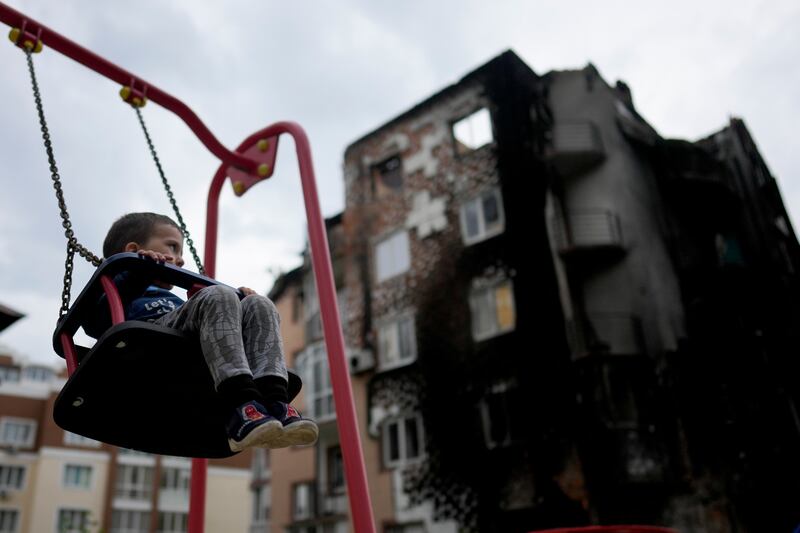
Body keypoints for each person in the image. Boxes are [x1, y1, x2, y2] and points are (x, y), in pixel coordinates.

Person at [83, 212, 318, 452]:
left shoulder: (172, 299)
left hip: (190, 352)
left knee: (260, 304)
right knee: (218, 294)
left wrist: (241, 306)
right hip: (145, 348)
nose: (181, 260)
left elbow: (213, 323)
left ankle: (275, 403)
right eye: (172, 247)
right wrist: (136, 273)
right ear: (134, 249)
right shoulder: (115, 289)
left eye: (181, 252)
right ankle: (240, 406)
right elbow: (94, 323)